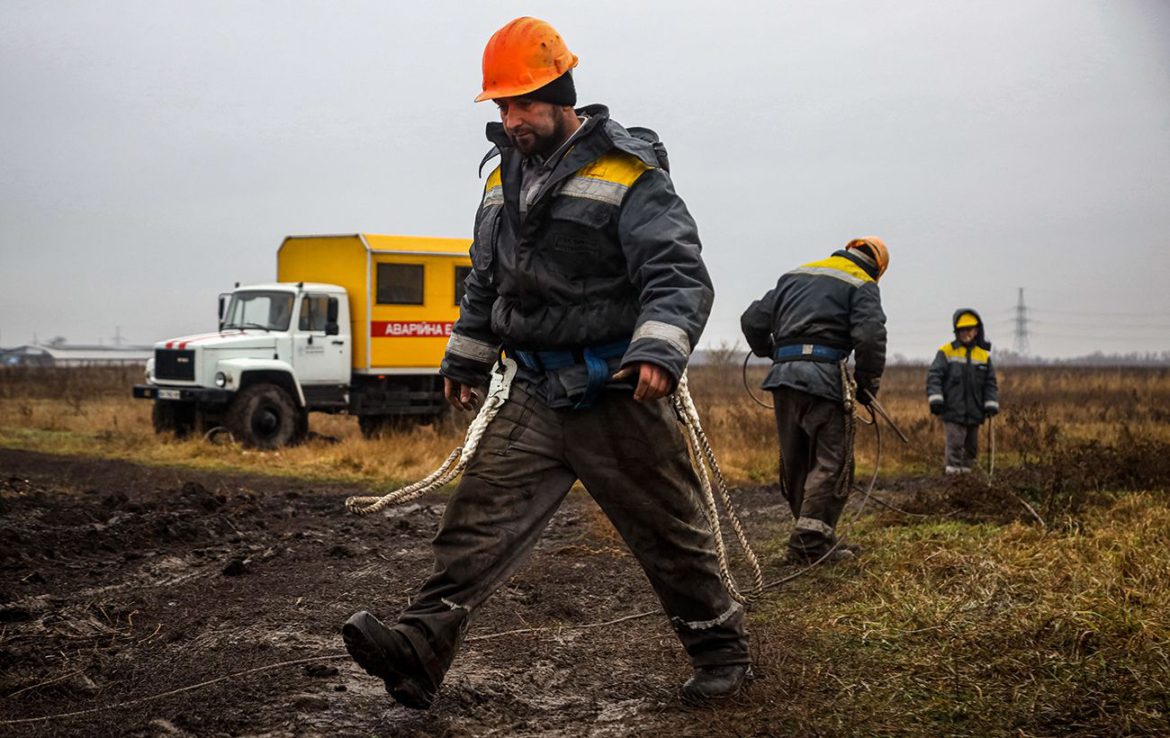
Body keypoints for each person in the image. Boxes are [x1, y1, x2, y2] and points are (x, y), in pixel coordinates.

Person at [341, 16, 750, 708]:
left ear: (563, 96)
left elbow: (678, 273)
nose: (511, 119)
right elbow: (484, 280)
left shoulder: (629, 173)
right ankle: (418, 652)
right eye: (501, 105)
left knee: (670, 533)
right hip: (531, 388)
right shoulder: (502, 177)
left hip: (616, 390)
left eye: (524, 103)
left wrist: (658, 350)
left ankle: (721, 654)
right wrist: (466, 357)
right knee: (475, 523)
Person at [740, 238, 889, 564]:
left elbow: (752, 320)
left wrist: (772, 351)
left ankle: (814, 537)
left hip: (783, 380)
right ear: (878, 268)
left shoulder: (795, 275)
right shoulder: (863, 284)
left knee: (797, 462)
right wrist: (866, 386)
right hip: (824, 382)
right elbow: (870, 336)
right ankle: (809, 543)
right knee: (832, 461)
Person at [926, 309, 999, 473]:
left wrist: (991, 403)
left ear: (976, 331)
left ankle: (966, 481)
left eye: (969, 329)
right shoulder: (946, 352)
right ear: (957, 331)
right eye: (962, 330)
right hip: (953, 410)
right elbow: (934, 376)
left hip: (975, 411)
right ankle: (952, 480)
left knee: (971, 449)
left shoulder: (983, 356)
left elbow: (990, 383)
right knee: (955, 445)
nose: (966, 333)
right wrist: (935, 399)